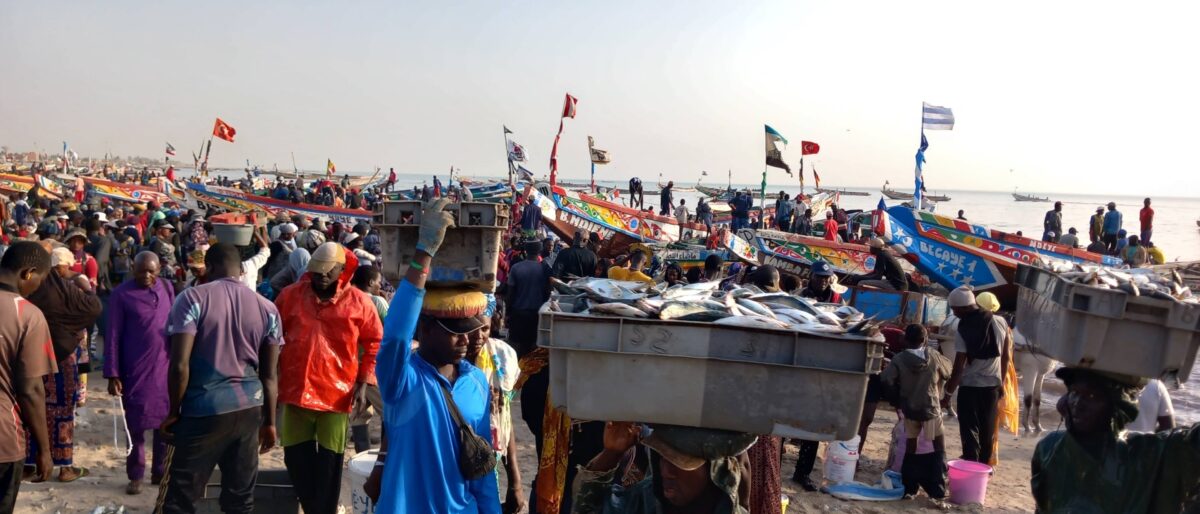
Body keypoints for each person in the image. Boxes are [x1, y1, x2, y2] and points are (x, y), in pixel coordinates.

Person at [364, 198, 503, 513]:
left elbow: (483, 465)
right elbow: (396, 335)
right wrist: (423, 253)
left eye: (469, 329)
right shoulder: (402, 379)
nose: (466, 339)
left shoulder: (477, 381)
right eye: (454, 330)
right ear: (425, 328)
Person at [157, 243, 283, 513]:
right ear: (240, 270)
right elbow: (270, 375)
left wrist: (173, 411)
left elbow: (179, 366)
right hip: (249, 408)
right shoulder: (268, 308)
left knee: (182, 498)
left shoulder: (193, 299)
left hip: (204, 408)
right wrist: (270, 422)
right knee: (240, 498)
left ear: (210, 267)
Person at [275, 242, 382, 514]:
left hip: (337, 396)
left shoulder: (360, 302)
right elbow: (272, 336)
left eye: (328, 271)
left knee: (329, 467)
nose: (322, 277)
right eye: (317, 271)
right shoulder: (290, 297)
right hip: (296, 391)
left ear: (342, 270)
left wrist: (365, 380)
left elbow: (375, 342)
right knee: (295, 460)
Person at [1032, 368, 1200, 512]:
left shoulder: (1145, 454)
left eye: (1091, 396)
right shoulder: (1049, 449)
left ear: (1116, 406)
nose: (1077, 403)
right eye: (1074, 393)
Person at [24, 246, 101, 483]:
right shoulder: (69, 290)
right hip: (63, 359)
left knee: (30, 408)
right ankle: (65, 467)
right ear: (63, 267)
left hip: (34, 357)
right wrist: (82, 282)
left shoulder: (31, 290)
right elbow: (94, 306)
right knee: (63, 413)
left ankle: (29, 462)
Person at [104, 252, 174, 495]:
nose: (146, 276)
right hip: (134, 370)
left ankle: (160, 471)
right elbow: (112, 336)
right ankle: (135, 474)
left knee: (165, 424)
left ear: (158, 270)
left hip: (164, 368)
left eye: (151, 271)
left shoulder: (167, 287)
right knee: (135, 425)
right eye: (141, 271)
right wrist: (113, 374)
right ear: (133, 269)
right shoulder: (121, 294)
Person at [573, 422, 754, 514]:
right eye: (662, 458)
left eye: (679, 462)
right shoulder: (643, 500)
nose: (666, 471)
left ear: (712, 469)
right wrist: (611, 454)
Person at [0, 242, 56, 511]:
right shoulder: (28, 316)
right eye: (40, 281)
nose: (39, 288)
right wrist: (44, 450)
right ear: (28, 273)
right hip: (3, 440)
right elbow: (31, 389)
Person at [880, 324, 952, 499]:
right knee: (938, 448)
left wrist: (896, 398)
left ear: (905, 340)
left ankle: (909, 487)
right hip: (931, 409)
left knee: (911, 448)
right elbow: (948, 371)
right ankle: (937, 488)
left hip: (910, 410)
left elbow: (886, 380)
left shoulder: (899, 359)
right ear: (925, 340)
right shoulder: (933, 356)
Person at [466, 315, 525, 513]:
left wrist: (515, 482)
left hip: (488, 466)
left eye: (485, 329)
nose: (478, 336)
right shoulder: (444, 364)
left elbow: (505, 423)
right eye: (471, 328)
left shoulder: (500, 358)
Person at [942, 286, 1006, 465]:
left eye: (954, 309)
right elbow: (1006, 356)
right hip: (993, 385)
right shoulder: (1001, 321)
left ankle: (970, 463)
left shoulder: (963, 329)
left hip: (970, 386)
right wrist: (1003, 382)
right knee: (988, 429)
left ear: (962, 308)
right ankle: (984, 466)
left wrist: (947, 394)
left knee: (969, 430)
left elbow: (959, 366)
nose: (954, 313)